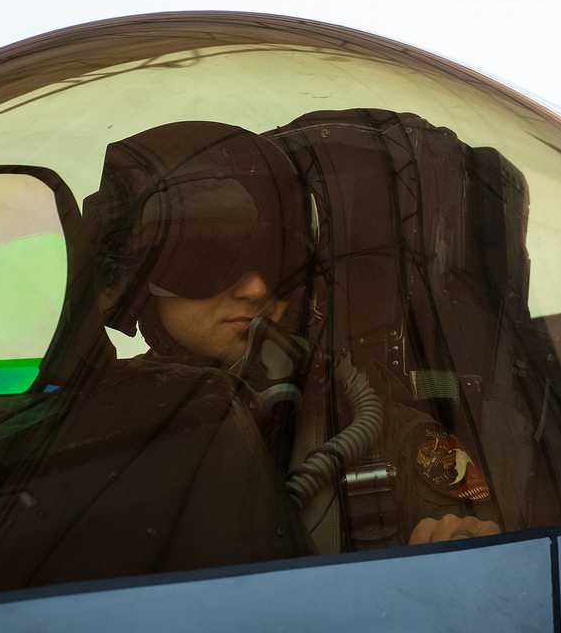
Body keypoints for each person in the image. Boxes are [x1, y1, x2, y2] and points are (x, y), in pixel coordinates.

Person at [82, 120, 498, 552]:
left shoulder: (386, 436)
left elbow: (486, 557)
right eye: (208, 256)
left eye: (274, 257)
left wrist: (456, 542)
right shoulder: (87, 429)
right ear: (137, 272)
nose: (257, 289)